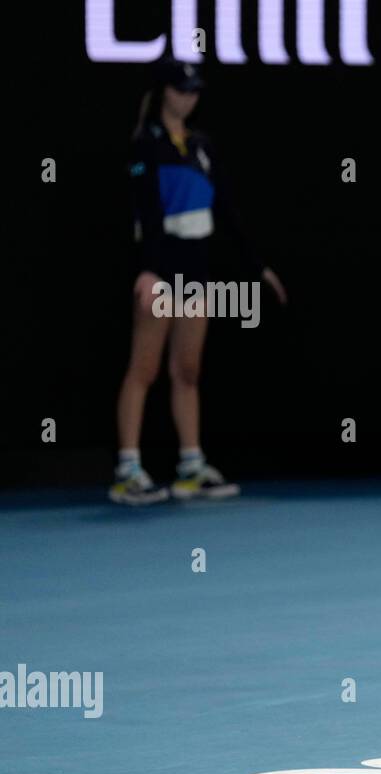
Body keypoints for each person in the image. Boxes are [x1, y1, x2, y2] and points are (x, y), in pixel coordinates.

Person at [111, 59, 287, 505]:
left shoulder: (201, 145)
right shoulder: (144, 145)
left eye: (195, 90)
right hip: (160, 270)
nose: (189, 97)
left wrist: (257, 267)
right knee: (143, 368)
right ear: (163, 92)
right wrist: (148, 270)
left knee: (187, 371)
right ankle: (128, 469)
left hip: (196, 273)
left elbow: (226, 212)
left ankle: (191, 466)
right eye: (182, 89)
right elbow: (143, 213)